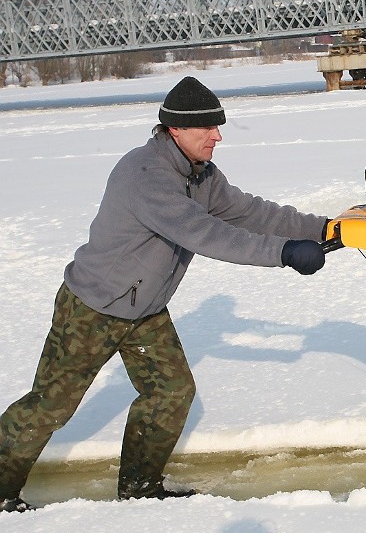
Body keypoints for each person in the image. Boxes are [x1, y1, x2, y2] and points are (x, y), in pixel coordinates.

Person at [0, 76, 329, 512]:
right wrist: (282, 252)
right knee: (51, 405)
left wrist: (323, 228)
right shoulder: (148, 177)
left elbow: (248, 211)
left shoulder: (201, 174)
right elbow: (207, 234)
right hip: (93, 308)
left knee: (171, 392)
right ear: (176, 130)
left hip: (145, 310)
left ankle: (140, 490)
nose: (218, 136)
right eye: (208, 128)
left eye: (219, 126)